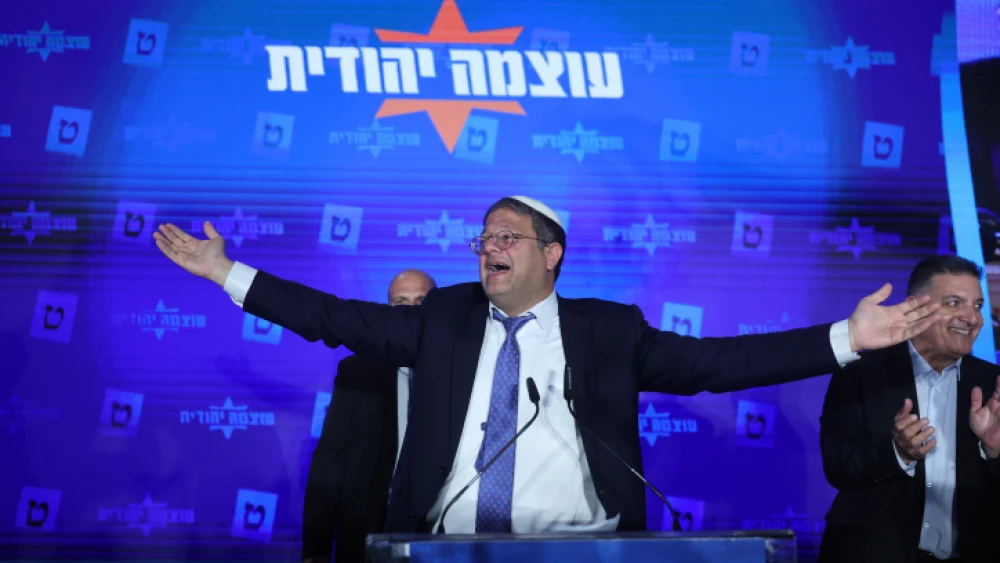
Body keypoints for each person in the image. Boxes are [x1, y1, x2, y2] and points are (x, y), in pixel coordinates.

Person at [154, 195, 941, 535]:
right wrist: (227, 273)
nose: (489, 247)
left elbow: (719, 362)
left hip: (580, 549)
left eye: (508, 236)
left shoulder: (608, 330)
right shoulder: (442, 320)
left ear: (551, 253)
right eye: (484, 237)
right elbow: (333, 317)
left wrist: (844, 336)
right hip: (448, 547)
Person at [818, 255, 1000, 563]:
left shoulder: (993, 384)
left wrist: (994, 451)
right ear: (915, 309)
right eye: (954, 303)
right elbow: (838, 466)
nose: (972, 318)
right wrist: (898, 452)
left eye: (977, 305)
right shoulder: (861, 373)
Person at [303, 270, 435, 563]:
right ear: (387, 311)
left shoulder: (463, 369)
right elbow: (330, 460)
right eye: (401, 302)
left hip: (442, 535)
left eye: (421, 301)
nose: (411, 311)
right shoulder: (358, 371)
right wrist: (315, 550)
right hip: (368, 531)